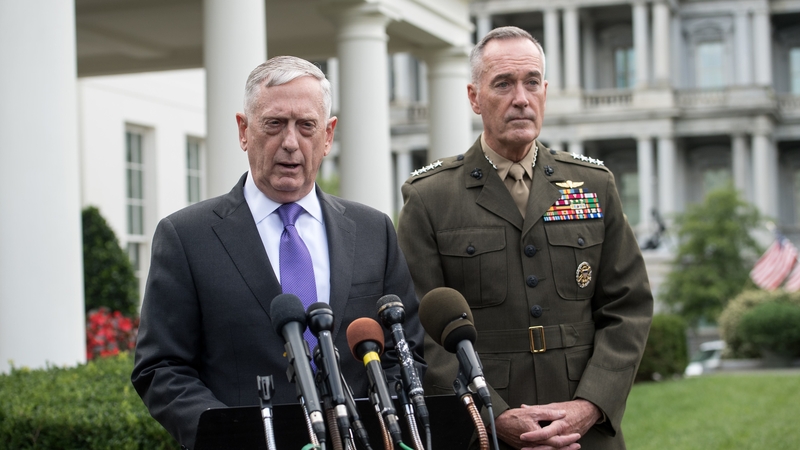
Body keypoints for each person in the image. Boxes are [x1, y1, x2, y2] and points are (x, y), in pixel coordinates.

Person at [132, 56, 425, 449]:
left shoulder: (374, 231)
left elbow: (406, 351)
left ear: (328, 135)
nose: (290, 142)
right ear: (244, 130)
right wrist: (230, 434)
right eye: (274, 124)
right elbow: (161, 367)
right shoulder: (186, 237)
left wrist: (379, 429)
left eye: (306, 126)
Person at [397, 27, 653, 450]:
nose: (521, 98)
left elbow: (628, 306)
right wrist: (492, 415)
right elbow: (420, 330)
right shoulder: (431, 198)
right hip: (484, 432)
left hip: (583, 432)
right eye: (503, 84)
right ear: (474, 97)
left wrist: (590, 404)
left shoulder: (593, 185)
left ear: (545, 92)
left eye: (532, 82)